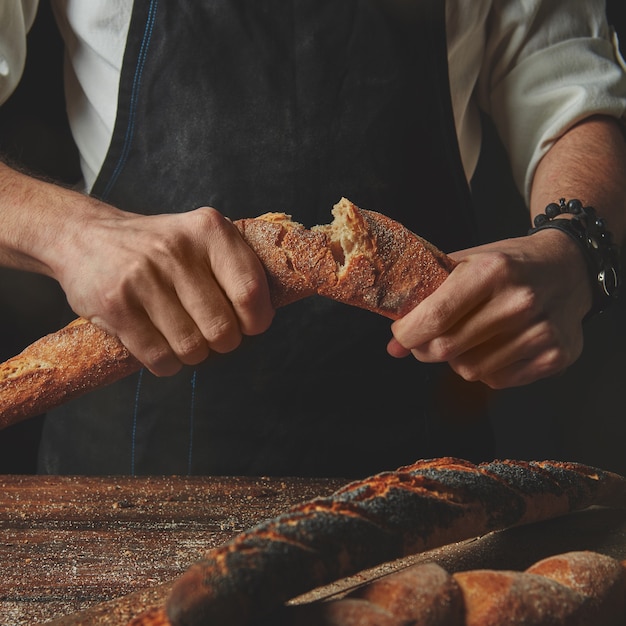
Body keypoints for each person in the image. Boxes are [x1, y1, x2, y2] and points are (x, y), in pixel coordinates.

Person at [0, 0, 625, 477]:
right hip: (139, 456)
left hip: (426, 453)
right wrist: (76, 232)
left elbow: (567, 79)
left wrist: (577, 247)